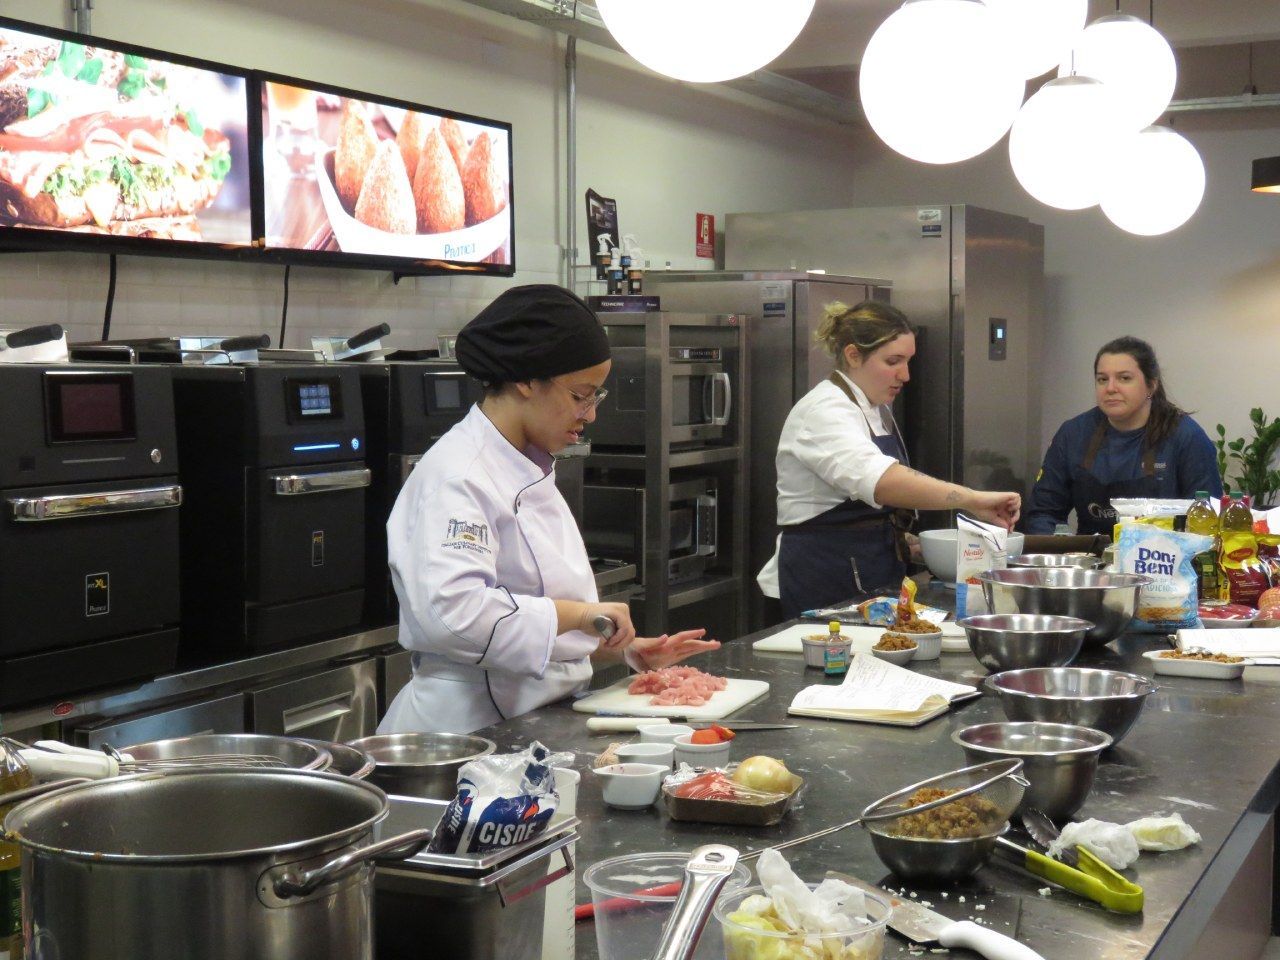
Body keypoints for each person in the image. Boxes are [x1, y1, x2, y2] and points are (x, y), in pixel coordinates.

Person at [379, 285, 719, 735]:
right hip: (466, 731)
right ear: (526, 379)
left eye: (596, 397)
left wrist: (623, 647)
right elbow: (455, 617)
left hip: (530, 718)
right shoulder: (460, 476)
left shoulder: (525, 464)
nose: (590, 415)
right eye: (581, 395)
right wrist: (580, 615)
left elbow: (527, 619)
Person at [758, 300, 1021, 620]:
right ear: (853, 355)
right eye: (893, 361)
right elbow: (883, 482)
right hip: (822, 578)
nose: (905, 375)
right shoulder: (825, 411)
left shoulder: (873, 408)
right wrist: (972, 500)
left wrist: (899, 539)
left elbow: (858, 505)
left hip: (866, 570)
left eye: (908, 361)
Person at [1025, 335, 1222, 536]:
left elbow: (1207, 522)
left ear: (1151, 385)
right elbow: (1043, 513)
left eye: (1124, 378)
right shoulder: (1073, 434)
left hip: (1165, 553)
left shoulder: (1187, 438)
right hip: (1091, 553)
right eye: (1102, 379)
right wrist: (1063, 550)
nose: (1110, 388)